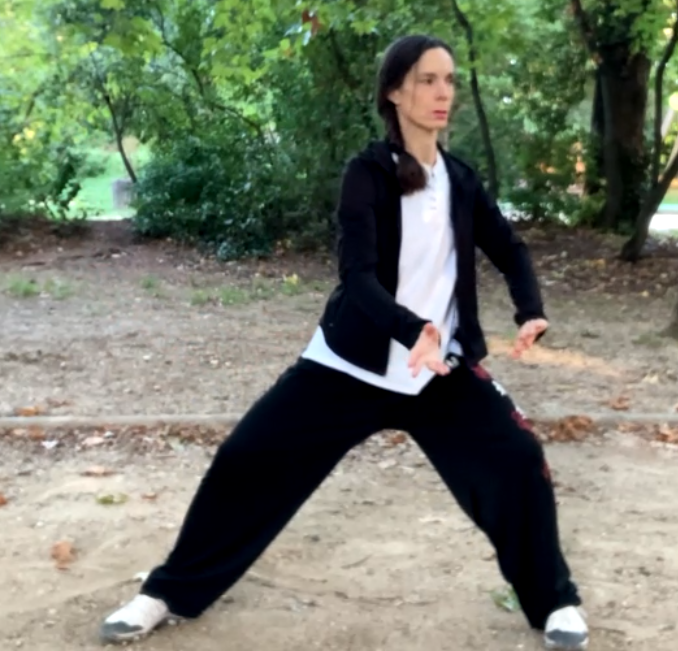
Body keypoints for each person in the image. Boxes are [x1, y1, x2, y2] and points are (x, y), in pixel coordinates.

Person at [100, 34, 588, 651]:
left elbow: (509, 248)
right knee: (247, 460)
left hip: (437, 371)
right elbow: (357, 278)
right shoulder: (368, 174)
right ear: (395, 92)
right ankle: (168, 593)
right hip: (348, 365)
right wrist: (412, 329)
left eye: (449, 80)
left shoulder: (460, 180)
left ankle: (555, 602)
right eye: (427, 80)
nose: (443, 93)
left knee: (517, 461)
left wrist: (530, 310)